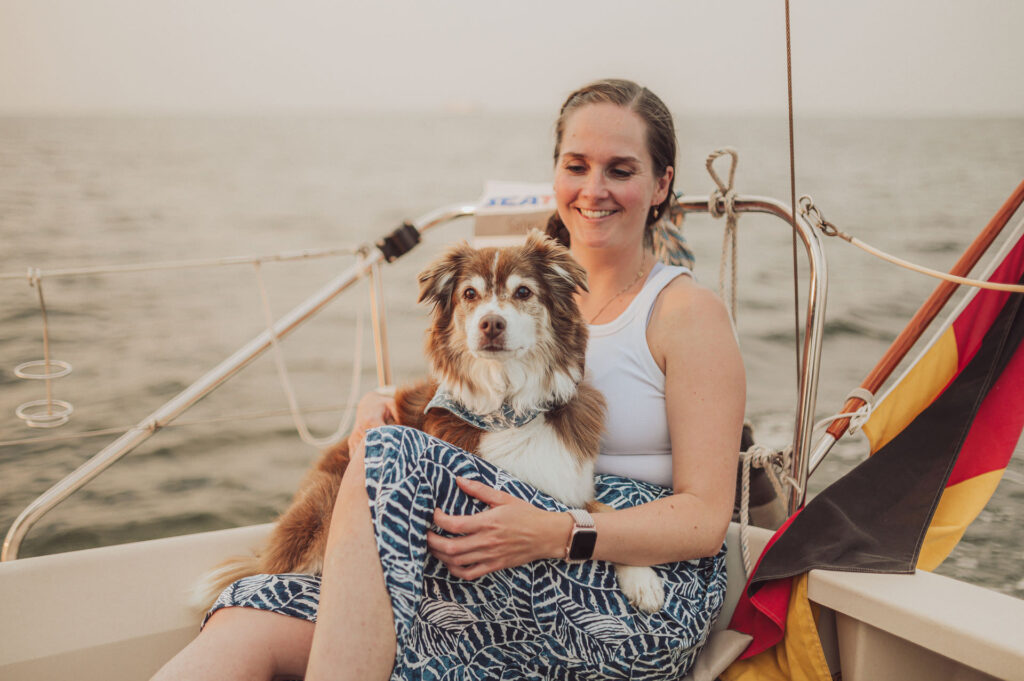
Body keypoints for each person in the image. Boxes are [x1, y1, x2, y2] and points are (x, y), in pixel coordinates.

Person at [151, 78, 744, 681]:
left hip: (633, 588)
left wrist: (554, 532)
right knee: (248, 619)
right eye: (577, 166)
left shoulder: (684, 313)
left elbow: (703, 520)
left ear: (662, 184)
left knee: (388, 460)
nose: (594, 189)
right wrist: (379, 401)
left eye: (621, 169)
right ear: (556, 174)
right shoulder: (524, 292)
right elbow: (479, 396)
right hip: (505, 555)